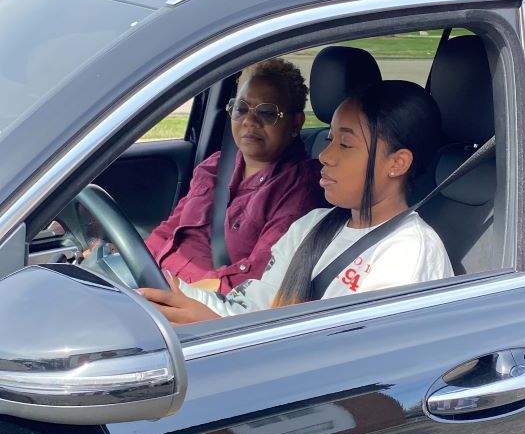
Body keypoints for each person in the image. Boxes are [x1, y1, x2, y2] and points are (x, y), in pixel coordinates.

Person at [140, 80, 453, 324]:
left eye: (345, 144)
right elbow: (251, 309)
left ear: (397, 163)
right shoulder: (313, 224)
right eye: (329, 139)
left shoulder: (407, 253)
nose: (326, 156)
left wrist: (206, 322)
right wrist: (177, 296)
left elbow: (349, 366)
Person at [145, 58, 324, 293]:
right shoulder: (215, 165)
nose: (249, 121)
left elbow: (256, 278)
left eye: (268, 112)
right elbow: (172, 229)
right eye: (240, 109)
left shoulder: (301, 189)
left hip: (200, 307)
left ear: (295, 123)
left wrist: (178, 293)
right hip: (157, 282)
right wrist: (132, 262)